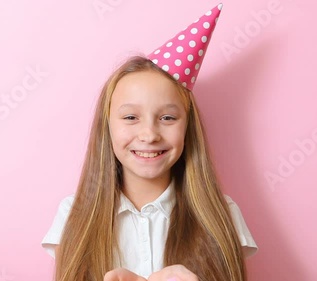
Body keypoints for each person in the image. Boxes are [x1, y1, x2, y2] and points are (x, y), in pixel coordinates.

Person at [41, 3, 258, 281]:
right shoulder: (74, 215)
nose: (149, 135)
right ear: (107, 127)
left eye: (167, 118)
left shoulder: (221, 214)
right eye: (131, 117)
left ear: (187, 127)